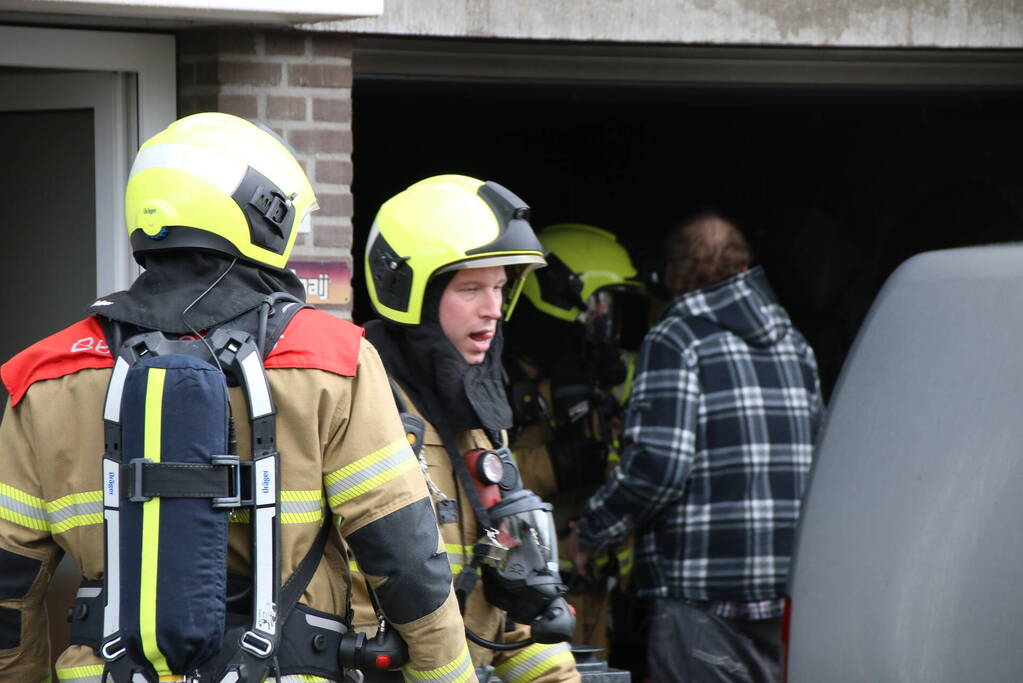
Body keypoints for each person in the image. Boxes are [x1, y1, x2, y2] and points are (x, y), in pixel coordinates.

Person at [0, 113, 471, 683]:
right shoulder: (332, 360)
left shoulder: (48, 375)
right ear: (264, 213)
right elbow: (405, 558)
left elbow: (9, 585)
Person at [567, 212, 825, 683]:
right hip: (789, 588)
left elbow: (658, 468)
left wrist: (591, 531)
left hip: (703, 596)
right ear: (745, 265)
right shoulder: (796, 346)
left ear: (671, 275)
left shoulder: (676, 339)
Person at [360, 174, 581, 683]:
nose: (493, 310)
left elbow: (505, 614)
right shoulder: (364, 406)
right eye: (471, 289)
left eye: (501, 287)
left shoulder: (481, 418)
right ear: (409, 289)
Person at [503, 223, 645, 657]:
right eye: (602, 307)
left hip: (597, 593)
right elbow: (473, 475)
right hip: (529, 600)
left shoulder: (602, 383)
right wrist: (555, 463)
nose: (610, 325)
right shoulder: (496, 379)